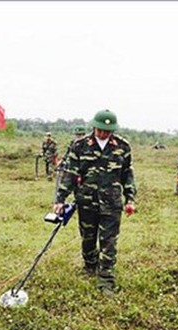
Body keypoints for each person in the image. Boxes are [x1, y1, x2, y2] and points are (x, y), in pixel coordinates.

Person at [53, 109, 136, 296]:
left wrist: (130, 198)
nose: (103, 134)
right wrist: (60, 199)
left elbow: (127, 174)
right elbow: (71, 174)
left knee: (109, 241)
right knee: (88, 238)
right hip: (87, 201)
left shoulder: (123, 146)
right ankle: (90, 266)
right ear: (94, 127)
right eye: (100, 130)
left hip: (112, 202)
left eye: (108, 131)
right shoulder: (80, 145)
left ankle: (106, 279)